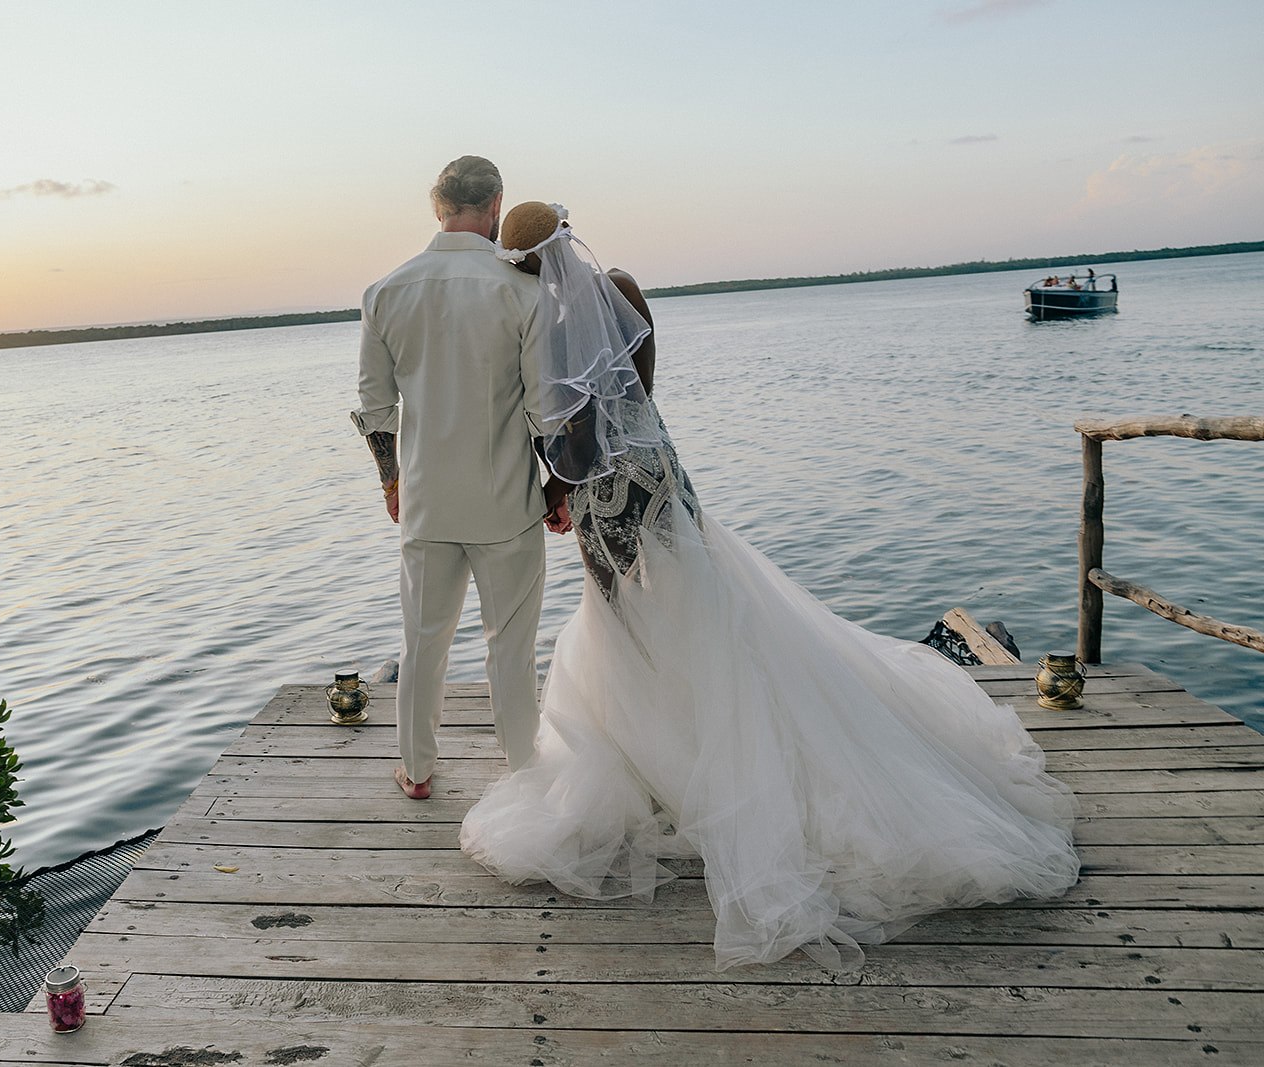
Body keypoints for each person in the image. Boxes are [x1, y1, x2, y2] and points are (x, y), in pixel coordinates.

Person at [459, 202, 1080, 970]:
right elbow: (641, 392)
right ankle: (693, 740)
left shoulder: (542, 326)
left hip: (600, 494)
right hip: (659, 471)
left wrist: (555, 479)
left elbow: (577, 436)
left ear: (521, 265)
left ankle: (669, 759)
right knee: (700, 598)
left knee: (618, 618)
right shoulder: (621, 288)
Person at [351, 157, 560, 802]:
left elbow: (375, 408)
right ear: (496, 204)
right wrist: (558, 486)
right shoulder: (520, 290)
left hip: (427, 500)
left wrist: (392, 484)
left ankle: (416, 772)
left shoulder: (387, 291)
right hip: (507, 501)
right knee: (511, 649)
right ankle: (523, 773)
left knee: (422, 642)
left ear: (436, 206)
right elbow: (544, 408)